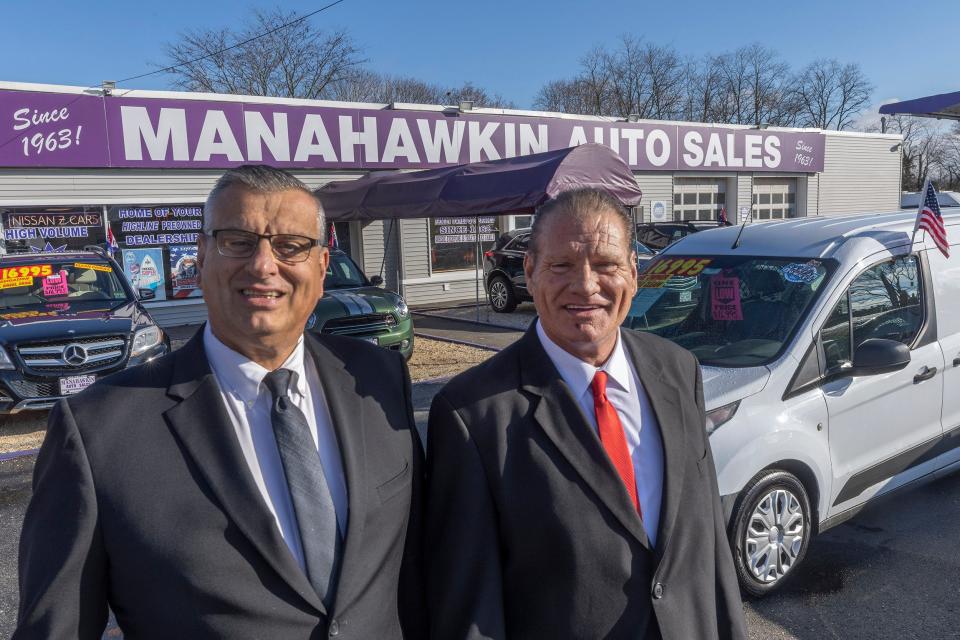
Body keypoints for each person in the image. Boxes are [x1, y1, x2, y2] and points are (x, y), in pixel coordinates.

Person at [15, 165, 425, 639]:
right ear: (202, 254)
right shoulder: (97, 431)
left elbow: (416, 566)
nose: (263, 265)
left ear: (322, 264)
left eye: (290, 245)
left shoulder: (378, 378)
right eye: (238, 241)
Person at [426, 188, 747, 640]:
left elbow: (709, 542)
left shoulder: (678, 371)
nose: (586, 285)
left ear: (633, 275)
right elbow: (469, 608)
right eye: (562, 266)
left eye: (606, 265)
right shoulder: (473, 415)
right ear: (531, 271)